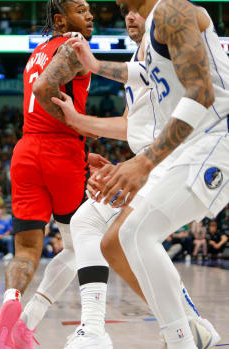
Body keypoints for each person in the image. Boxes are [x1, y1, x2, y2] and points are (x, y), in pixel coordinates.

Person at [49, 6, 218, 347]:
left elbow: (193, 101)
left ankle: (179, 329)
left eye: (136, 12)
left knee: (128, 234)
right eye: (125, 12)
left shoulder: (170, 31)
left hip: (181, 153)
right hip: (157, 155)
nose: (130, 16)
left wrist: (142, 165)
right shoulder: (142, 65)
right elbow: (132, 124)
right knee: (94, 225)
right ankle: (185, 325)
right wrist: (82, 123)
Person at [0, 1, 109, 348]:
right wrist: (83, 126)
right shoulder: (73, 45)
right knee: (80, 245)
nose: (89, 16)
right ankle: (30, 322)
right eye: (81, 9)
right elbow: (45, 90)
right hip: (61, 152)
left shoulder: (39, 51)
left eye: (90, 10)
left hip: (26, 150)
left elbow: (40, 92)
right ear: (61, 19)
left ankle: (11, 299)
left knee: (26, 250)